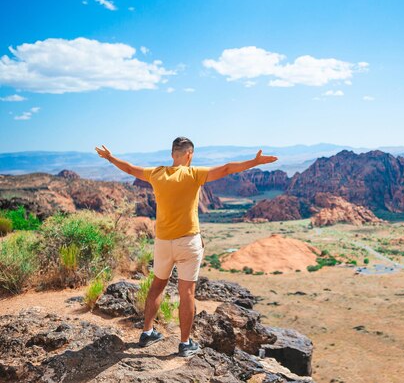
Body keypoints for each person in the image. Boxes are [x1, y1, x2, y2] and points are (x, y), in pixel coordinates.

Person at [95, 137, 278, 357]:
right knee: (187, 293)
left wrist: (110, 157)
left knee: (157, 286)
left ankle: (147, 332)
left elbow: (129, 168)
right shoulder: (194, 174)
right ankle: (184, 344)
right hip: (188, 242)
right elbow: (228, 168)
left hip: (163, 242)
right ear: (189, 154)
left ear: (173, 154)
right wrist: (254, 162)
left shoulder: (156, 173)